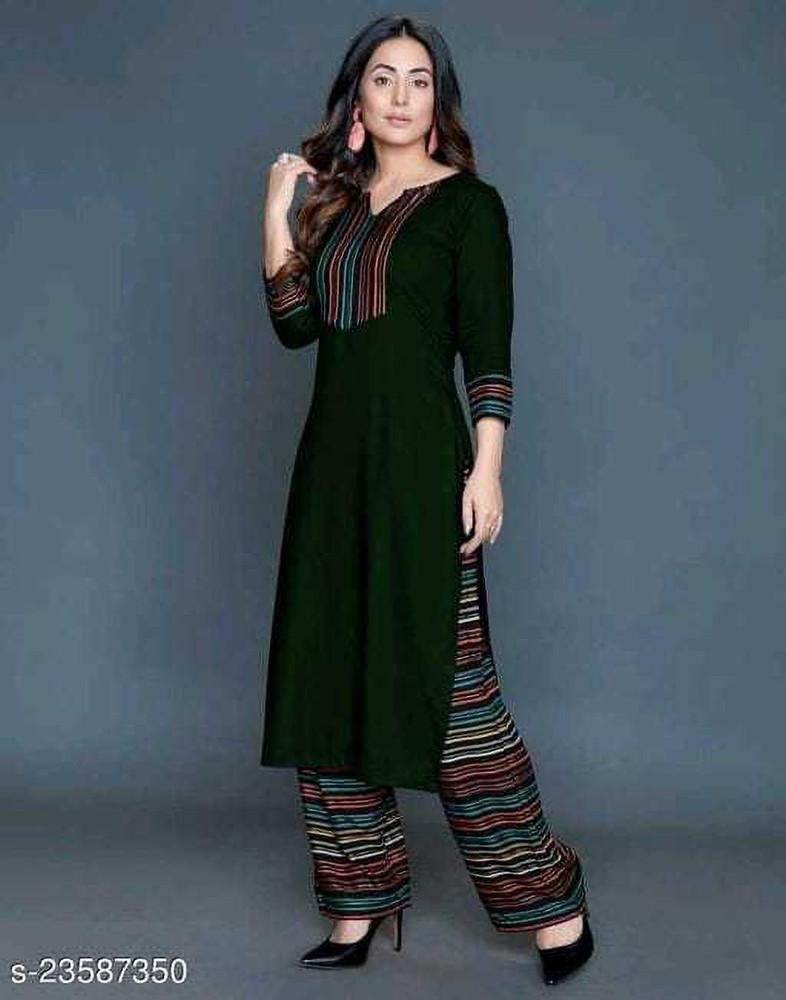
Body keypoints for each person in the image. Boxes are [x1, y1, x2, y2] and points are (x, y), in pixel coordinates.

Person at [258, 15, 595, 986]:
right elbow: (294, 325)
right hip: (331, 478)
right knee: (328, 683)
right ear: (357, 100)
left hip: (421, 475)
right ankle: (358, 905)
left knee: (456, 701)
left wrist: (485, 471)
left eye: (417, 79)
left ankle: (554, 910)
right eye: (382, 78)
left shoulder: (469, 209)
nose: (401, 95)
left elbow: (487, 353)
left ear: (437, 100)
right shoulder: (335, 208)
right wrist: (277, 209)